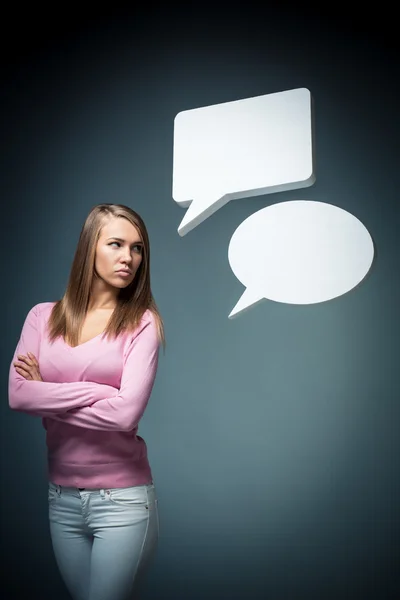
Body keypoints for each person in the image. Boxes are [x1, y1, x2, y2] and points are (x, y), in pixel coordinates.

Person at [8, 203, 165, 600]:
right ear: (89, 247)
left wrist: (47, 392)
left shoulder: (141, 321)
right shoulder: (41, 318)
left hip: (123, 501)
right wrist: (99, 392)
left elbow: (126, 413)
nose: (128, 258)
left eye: (137, 248)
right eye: (115, 244)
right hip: (60, 498)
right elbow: (18, 395)